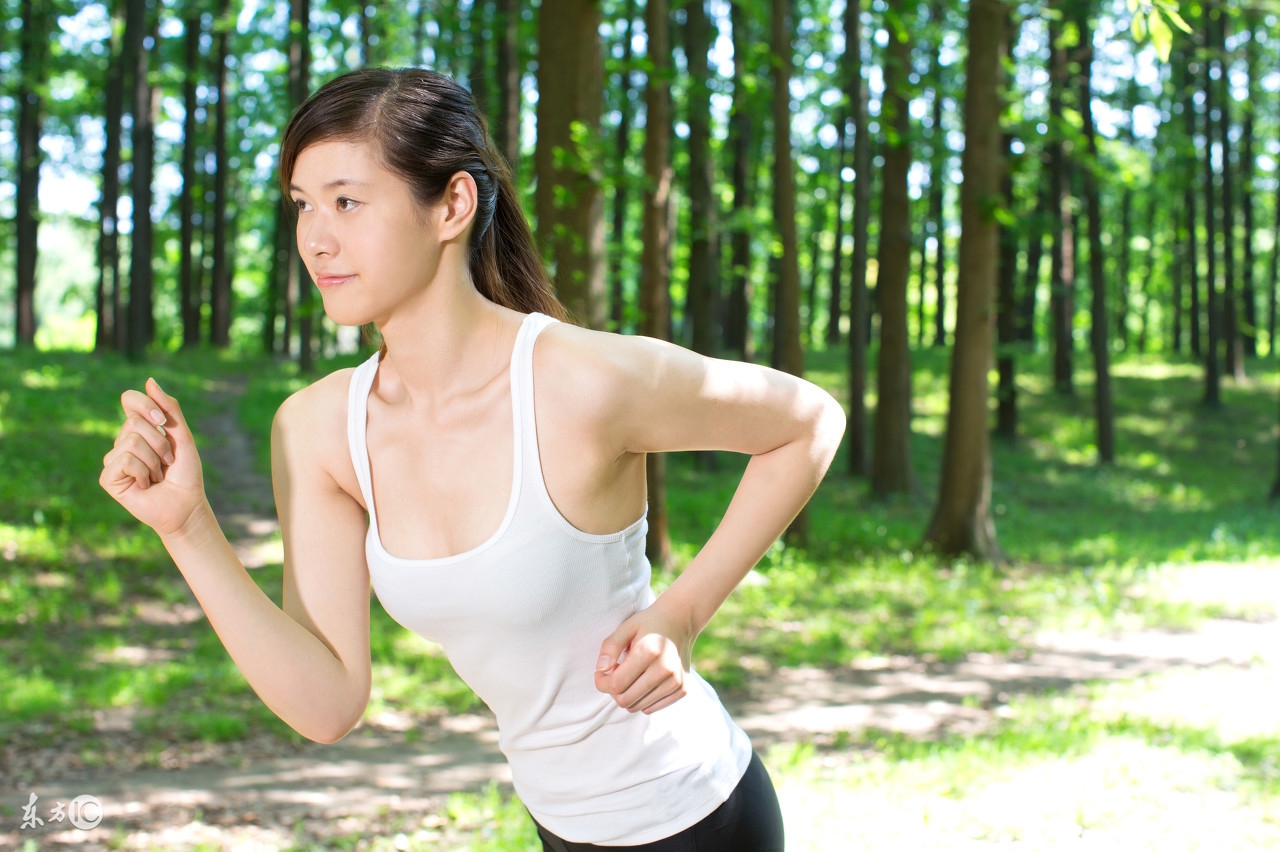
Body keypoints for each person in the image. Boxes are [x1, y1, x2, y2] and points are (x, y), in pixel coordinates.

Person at [100, 67, 845, 851]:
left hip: (695, 813)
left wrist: (682, 615)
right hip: (558, 824)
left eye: (348, 201)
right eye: (302, 205)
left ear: (451, 205)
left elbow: (808, 423)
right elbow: (327, 704)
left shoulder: (581, 382)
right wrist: (187, 528)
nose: (316, 237)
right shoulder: (318, 429)